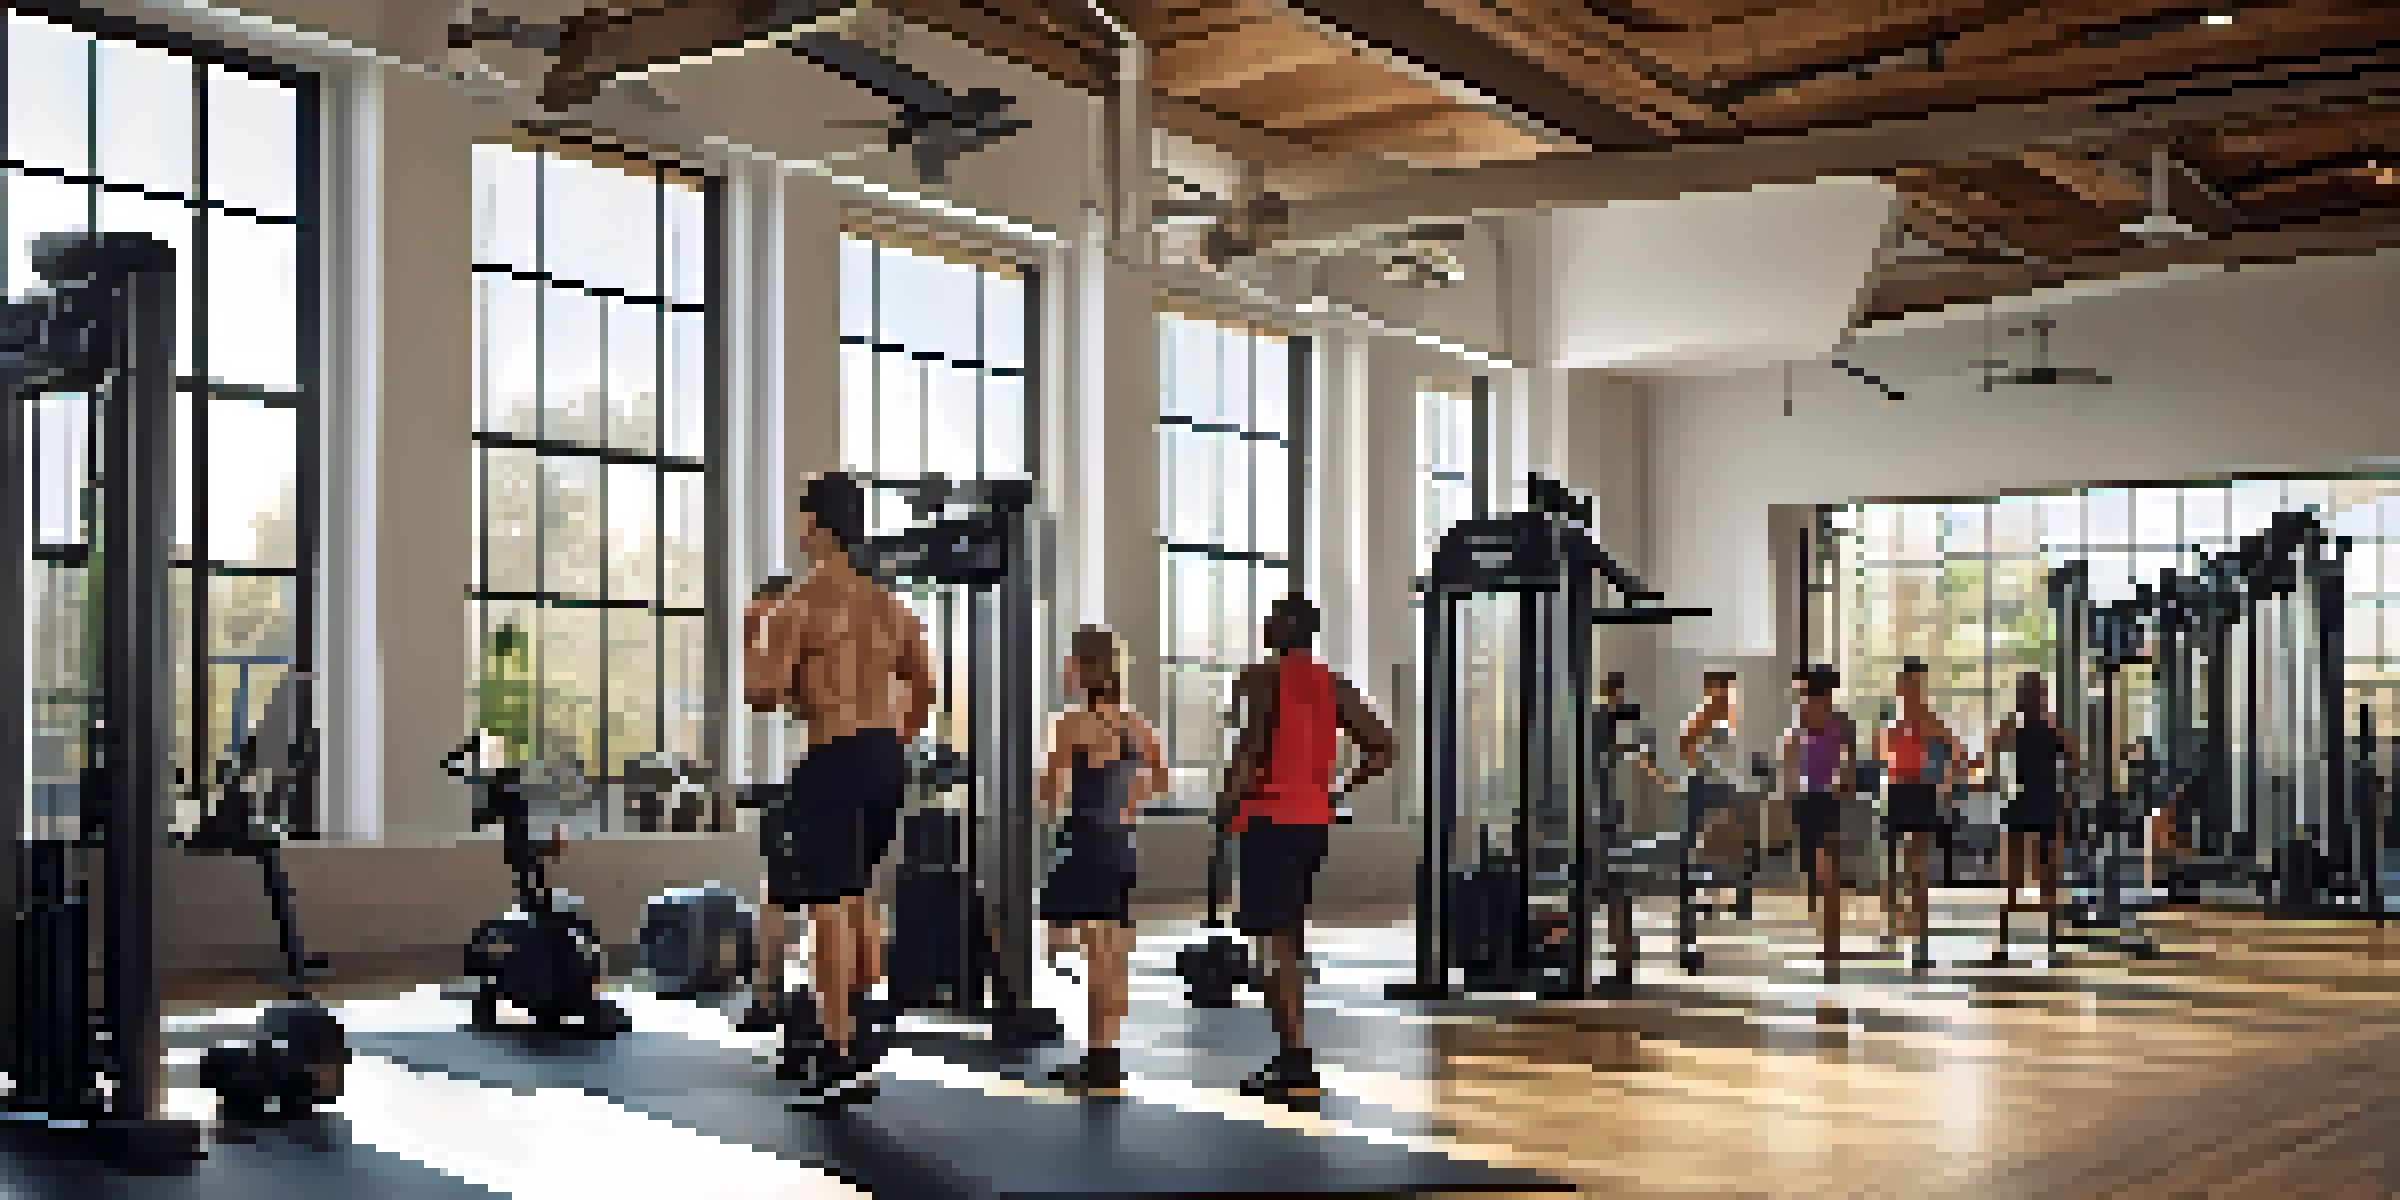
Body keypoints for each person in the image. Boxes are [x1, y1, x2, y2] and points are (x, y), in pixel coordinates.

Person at [742, 471, 936, 1099]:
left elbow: (760, 695)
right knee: (858, 896)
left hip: (832, 758)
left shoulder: (797, 607)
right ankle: (858, 1017)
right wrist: (895, 739)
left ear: (814, 527)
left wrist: (753, 631)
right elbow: (925, 686)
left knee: (828, 903)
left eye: (801, 520)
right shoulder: (890, 608)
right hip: (885, 758)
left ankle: (837, 1047)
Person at [1217, 594, 1397, 1104]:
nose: (1266, 622)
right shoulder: (1333, 684)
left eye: (1273, 616)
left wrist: (1225, 806)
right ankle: (1290, 1056)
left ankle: (1296, 1063)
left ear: (1289, 626)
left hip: (1268, 820)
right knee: (1288, 937)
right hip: (1310, 823)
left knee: (1276, 946)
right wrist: (1337, 789)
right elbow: (1384, 746)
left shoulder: (1260, 677)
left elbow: (1249, 747)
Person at [1037, 626, 1165, 1094]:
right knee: (1111, 957)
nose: (1065, 669)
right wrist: (1129, 803)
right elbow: (1160, 778)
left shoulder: (1072, 723)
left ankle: (1097, 1060)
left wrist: (1047, 798)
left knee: (1092, 955)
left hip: (1085, 840)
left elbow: (1049, 793)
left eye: (1071, 661)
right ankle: (1104, 1058)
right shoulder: (1137, 724)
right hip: (1121, 844)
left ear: (1085, 668)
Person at [1877, 659, 1962, 965]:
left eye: (1918, 684)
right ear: (1900, 686)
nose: (1913, 689)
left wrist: (1946, 783)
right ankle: (1892, 924)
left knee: (1918, 868)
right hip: (1897, 791)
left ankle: (1921, 940)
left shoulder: (1930, 721)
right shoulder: (1892, 721)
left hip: (1922, 791)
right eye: (1908, 684)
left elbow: (1955, 750)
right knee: (1892, 868)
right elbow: (1882, 756)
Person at [1781, 666, 1855, 975]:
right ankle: (1827, 939)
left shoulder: (1840, 724)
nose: (1806, 701)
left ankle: (1831, 946)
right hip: (1807, 802)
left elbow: (1848, 766)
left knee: (1830, 876)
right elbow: (1788, 768)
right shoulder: (1798, 728)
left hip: (1829, 802)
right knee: (1816, 876)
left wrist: (1842, 784)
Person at [1990, 671, 2082, 918]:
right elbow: (1995, 747)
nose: (2031, 697)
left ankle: (2049, 916)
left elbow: (2075, 756)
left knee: (2048, 863)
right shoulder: (2015, 725)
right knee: (2016, 862)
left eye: (2035, 691)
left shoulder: (2052, 725)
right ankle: (2011, 911)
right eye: (2027, 692)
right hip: (2022, 796)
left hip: (2047, 797)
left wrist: (2068, 794)